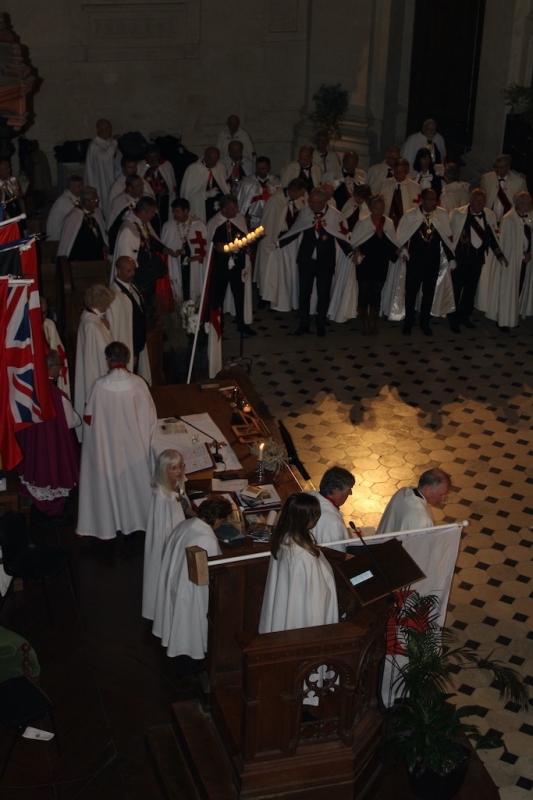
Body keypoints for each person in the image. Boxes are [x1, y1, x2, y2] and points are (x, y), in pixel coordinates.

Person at [76, 341, 157, 541]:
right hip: (135, 448)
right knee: (137, 482)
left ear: (108, 360)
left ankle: (107, 524)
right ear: (127, 359)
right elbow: (150, 419)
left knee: (106, 484)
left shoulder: (98, 386)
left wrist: (94, 449)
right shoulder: (139, 384)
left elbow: (89, 420)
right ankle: (141, 520)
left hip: (106, 450)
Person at [152, 496, 232, 671]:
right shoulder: (207, 539)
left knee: (180, 621)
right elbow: (213, 571)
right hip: (191, 590)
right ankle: (188, 662)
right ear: (218, 520)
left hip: (176, 581)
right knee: (189, 627)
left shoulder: (185, 524)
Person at [277, 187, 355, 334]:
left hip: (325, 261)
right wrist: (278, 244)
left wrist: (351, 253)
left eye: (313, 202)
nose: (310, 204)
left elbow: (342, 237)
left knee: (323, 293)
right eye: (310, 201)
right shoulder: (304, 213)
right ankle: (303, 323)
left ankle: (320, 323)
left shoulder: (335, 216)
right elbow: (294, 231)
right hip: (306, 260)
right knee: (304, 292)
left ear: (322, 202)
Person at [15, 350, 80, 526]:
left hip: (31, 446)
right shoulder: (58, 396)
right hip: (51, 445)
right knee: (52, 473)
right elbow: (73, 421)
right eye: (58, 365)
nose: (60, 369)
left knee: (33, 473)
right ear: (50, 368)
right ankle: (53, 511)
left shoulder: (27, 389)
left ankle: (28, 507)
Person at [258, 493, 338, 634]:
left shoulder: (283, 537)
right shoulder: (303, 555)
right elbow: (315, 599)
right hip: (303, 621)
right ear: (306, 520)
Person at [396, 188, 455, 336]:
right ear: (422, 200)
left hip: (432, 261)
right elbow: (402, 235)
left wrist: (451, 258)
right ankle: (408, 322)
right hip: (415, 261)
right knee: (411, 293)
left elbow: (446, 238)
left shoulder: (441, 215)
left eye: (435, 199)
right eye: (430, 199)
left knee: (428, 294)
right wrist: (403, 249)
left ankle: (424, 322)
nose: (433, 202)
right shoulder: (411, 215)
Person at [448, 188, 506, 333]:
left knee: (470, 291)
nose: (478, 204)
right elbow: (449, 236)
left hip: (477, 260)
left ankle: (464, 317)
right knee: (455, 290)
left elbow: (492, 237)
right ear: (470, 200)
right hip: (460, 260)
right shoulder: (457, 214)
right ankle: (453, 320)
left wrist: (500, 255)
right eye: (476, 201)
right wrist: (451, 258)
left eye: (481, 202)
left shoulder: (489, 215)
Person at [141, 450, 187, 621]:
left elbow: (182, 504)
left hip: (178, 533)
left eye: (180, 466)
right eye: (173, 468)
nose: (179, 471)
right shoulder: (161, 494)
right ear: (163, 470)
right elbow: (160, 528)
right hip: (168, 540)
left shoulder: (177, 483)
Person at [112, 196, 173, 308]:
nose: (153, 215)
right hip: (137, 276)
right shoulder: (128, 229)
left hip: (145, 275)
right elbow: (125, 258)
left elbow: (149, 238)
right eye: (151, 212)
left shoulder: (139, 224)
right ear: (144, 212)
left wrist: (164, 249)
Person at [206, 193, 255, 335]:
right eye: (233, 209)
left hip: (238, 264)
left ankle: (242, 322)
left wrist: (247, 246)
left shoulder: (239, 219)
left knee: (240, 294)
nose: (236, 211)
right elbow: (211, 244)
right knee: (218, 295)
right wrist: (219, 247)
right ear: (224, 209)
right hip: (220, 265)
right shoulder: (214, 223)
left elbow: (246, 238)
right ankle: (217, 324)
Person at [351, 194, 398, 334]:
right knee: (364, 291)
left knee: (377, 292)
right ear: (370, 208)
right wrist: (356, 252)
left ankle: (373, 321)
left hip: (381, 263)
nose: (380, 211)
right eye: (376, 208)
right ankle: (364, 321)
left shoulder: (388, 222)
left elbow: (392, 241)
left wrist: (399, 251)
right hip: (366, 263)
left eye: (382, 208)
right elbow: (355, 241)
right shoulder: (363, 222)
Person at [258, 177, 307, 304]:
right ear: (295, 191)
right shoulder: (275, 200)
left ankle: (282, 296)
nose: (302, 196)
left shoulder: (293, 200)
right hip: (274, 237)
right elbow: (269, 223)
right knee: (268, 268)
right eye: (301, 193)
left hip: (287, 239)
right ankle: (265, 296)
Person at [489, 191, 533, 332]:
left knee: (518, 289)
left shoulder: (530, 217)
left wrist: (529, 253)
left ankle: (513, 316)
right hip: (512, 262)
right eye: (528, 202)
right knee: (508, 291)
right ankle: (503, 320)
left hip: (525, 261)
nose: (530, 205)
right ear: (520, 204)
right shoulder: (508, 219)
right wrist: (520, 256)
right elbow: (507, 244)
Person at [74, 283, 115, 426]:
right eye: (106, 304)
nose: (108, 307)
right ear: (98, 303)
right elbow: (102, 351)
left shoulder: (94, 320)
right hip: (96, 372)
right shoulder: (91, 325)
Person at [107, 255, 151, 381]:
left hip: (137, 344)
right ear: (119, 270)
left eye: (133, 270)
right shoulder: (115, 294)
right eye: (128, 271)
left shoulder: (132, 287)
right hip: (128, 343)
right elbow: (118, 326)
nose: (132, 274)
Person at [161, 198, 207, 305]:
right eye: (173, 211)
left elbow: (204, 248)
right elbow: (164, 248)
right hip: (175, 265)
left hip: (194, 266)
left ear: (186, 211)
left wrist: (195, 257)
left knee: (192, 290)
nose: (174, 214)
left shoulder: (199, 225)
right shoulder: (168, 226)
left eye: (177, 211)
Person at [377, 468, 451, 534]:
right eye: (441, 495)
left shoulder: (402, 492)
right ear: (427, 490)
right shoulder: (422, 520)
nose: (444, 499)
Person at [305, 466, 356, 552]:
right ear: (337, 491)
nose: (350, 493)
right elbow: (337, 555)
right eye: (349, 489)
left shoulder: (308, 495)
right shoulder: (333, 522)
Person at [57, 186, 108, 261]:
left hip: (97, 257)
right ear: (86, 202)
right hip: (81, 259)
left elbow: (102, 233)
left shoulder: (97, 212)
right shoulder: (74, 217)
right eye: (95, 199)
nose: (98, 201)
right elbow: (69, 242)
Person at [180, 147, 229, 222]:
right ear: (205, 156)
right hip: (201, 209)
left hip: (218, 209)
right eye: (211, 159)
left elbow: (226, 188)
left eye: (215, 160)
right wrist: (205, 194)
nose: (213, 163)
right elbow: (188, 195)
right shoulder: (193, 169)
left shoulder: (220, 167)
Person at [84, 118, 119, 218]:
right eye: (106, 128)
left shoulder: (109, 142)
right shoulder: (94, 145)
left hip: (111, 179)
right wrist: (115, 143)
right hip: (100, 182)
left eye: (109, 128)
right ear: (98, 129)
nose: (108, 130)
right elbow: (105, 158)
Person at [138, 145, 177, 231]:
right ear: (146, 156)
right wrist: (151, 193)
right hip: (148, 204)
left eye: (155, 157)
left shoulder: (166, 165)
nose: (153, 160)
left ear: (159, 155)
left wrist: (166, 191)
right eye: (150, 157)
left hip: (164, 202)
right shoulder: (141, 166)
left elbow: (172, 186)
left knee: (164, 223)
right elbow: (137, 187)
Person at [480, 154, 527, 224]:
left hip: (510, 221)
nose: (497, 170)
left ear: (508, 167)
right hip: (489, 219)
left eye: (500, 168)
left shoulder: (519, 182)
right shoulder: (487, 178)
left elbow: (525, 202)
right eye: (496, 167)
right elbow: (481, 197)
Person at [237, 156, 280, 231]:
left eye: (263, 168)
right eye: (258, 168)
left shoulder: (276, 182)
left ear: (268, 167)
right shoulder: (247, 182)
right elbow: (241, 202)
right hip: (253, 220)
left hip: (271, 219)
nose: (260, 171)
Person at [107, 174, 146, 254]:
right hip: (128, 241)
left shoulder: (146, 198)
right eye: (138, 185)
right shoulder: (119, 201)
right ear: (129, 188)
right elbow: (114, 226)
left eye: (141, 184)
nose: (142, 187)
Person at [41, 296, 71, 398]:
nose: (43, 317)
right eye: (40, 313)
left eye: (45, 313)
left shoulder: (49, 325)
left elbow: (57, 352)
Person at [381, 158, 421, 229]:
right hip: (387, 223)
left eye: (401, 172)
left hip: (407, 224)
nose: (398, 175)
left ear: (407, 171)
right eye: (396, 172)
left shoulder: (415, 187)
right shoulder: (384, 184)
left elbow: (417, 207)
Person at [46, 174, 83, 241]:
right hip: (58, 238)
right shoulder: (63, 201)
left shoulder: (76, 198)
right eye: (78, 186)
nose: (81, 188)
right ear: (71, 187)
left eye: (81, 186)